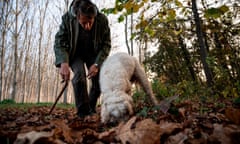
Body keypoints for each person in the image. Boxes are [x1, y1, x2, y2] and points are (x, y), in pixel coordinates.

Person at [54, 0, 111, 118]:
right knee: (79, 76)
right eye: (84, 22)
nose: (87, 27)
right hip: (75, 54)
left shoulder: (102, 20)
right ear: (77, 16)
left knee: (99, 80)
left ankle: (90, 107)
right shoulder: (67, 19)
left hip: (94, 54)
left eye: (90, 22)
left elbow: (106, 44)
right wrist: (63, 62)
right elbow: (60, 42)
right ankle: (83, 113)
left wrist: (96, 64)